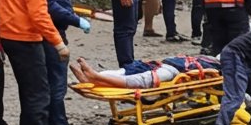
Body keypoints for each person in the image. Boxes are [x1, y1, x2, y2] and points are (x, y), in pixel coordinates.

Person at [44, 0, 91, 125]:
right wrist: (74, 20)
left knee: (56, 82)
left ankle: (59, 124)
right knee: (57, 83)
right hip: (51, 32)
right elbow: (51, 6)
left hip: (55, 30)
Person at [71, 54, 219, 88]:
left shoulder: (219, 66)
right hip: (173, 66)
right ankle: (94, 77)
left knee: (143, 77)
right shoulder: (218, 61)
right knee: (133, 71)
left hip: (177, 69)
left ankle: (96, 77)